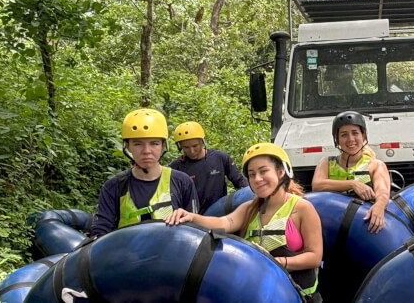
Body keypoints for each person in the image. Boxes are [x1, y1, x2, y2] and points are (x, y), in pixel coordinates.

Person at [166, 143, 323, 302]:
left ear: (281, 171)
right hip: (261, 294)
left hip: (301, 296)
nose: (257, 179)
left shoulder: (302, 208)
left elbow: (315, 257)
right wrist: (191, 217)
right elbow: (223, 222)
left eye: (263, 171)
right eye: (252, 174)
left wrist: (276, 263)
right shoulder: (249, 208)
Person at [90, 108, 198, 237]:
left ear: (163, 145)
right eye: (137, 144)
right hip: (127, 254)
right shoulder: (113, 187)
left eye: (154, 143)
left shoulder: (182, 182)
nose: (147, 151)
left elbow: (195, 228)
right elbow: (101, 232)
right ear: (127, 146)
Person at [311, 111, 390, 233]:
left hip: (361, 226)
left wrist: (379, 206)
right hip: (331, 225)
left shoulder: (375, 165)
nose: (350, 139)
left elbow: (383, 193)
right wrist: (353, 184)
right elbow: (317, 185)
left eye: (355, 133)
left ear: (363, 136)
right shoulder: (326, 162)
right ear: (337, 139)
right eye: (344, 135)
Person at [168, 121, 249, 214]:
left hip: (219, 213)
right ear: (180, 146)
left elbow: (239, 181)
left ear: (202, 141)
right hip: (191, 217)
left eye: (195, 146)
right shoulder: (176, 166)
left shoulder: (220, 157)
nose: (192, 151)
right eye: (186, 147)